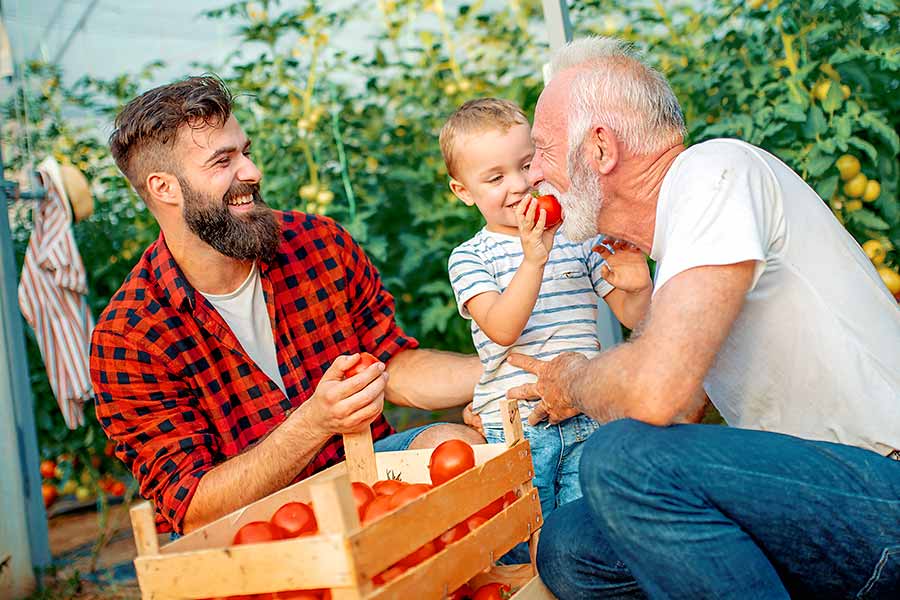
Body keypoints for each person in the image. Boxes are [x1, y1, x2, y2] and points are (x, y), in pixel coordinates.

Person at [503, 37, 900, 598]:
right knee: (571, 545)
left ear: (600, 149)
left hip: (883, 490)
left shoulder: (715, 170)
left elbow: (657, 395)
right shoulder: (680, 238)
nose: (534, 175)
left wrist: (570, 380)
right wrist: (643, 309)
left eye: (543, 150)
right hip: (820, 498)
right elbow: (686, 408)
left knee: (620, 461)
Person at [90, 75, 483, 534]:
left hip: (364, 477)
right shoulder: (131, 336)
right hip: (254, 527)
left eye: (246, 152)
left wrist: (498, 373)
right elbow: (192, 504)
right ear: (164, 188)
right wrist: (314, 423)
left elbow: (389, 364)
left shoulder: (316, 242)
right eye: (223, 161)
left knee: (456, 445)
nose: (252, 171)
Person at [441, 98, 652, 520]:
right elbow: (502, 328)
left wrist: (640, 286)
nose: (519, 185)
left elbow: (633, 318)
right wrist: (533, 260)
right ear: (463, 191)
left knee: (587, 526)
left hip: (585, 412)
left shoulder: (578, 238)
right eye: (496, 177)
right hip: (514, 426)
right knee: (522, 532)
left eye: (526, 165)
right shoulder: (470, 257)